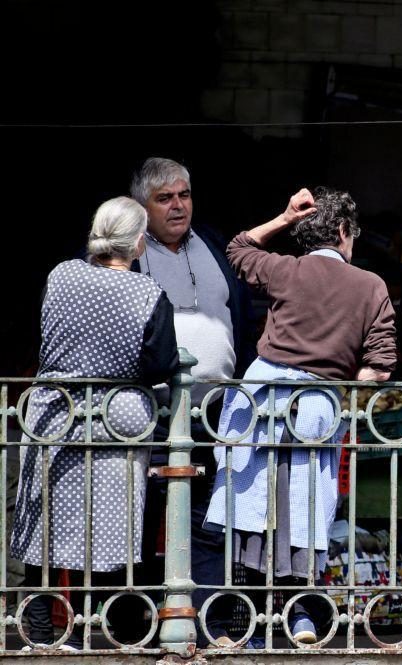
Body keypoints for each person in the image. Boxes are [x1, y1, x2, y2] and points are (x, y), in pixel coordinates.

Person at [205, 187, 396, 647]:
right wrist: (345, 399)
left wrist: (284, 218)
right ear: (345, 231)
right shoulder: (371, 286)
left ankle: (242, 624)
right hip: (315, 405)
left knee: (250, 511)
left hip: (261, 397)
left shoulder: (287, 270)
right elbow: (380, 363)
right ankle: (301, 617)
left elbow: (237, 248)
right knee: (302, 514)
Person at [12, 197, 179, 649]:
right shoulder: (148, 294)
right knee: (114, 530)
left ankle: (41, 632)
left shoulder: (61, 275)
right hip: (115, 420)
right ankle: (115, 632)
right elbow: (161, 364)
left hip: (54, 411)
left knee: (46, 523)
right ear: (140, 243)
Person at [128, 157, 255, 647]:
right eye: (165, 198)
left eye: (183, 194)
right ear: (143, 207)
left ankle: (211, 622)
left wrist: (239, 380)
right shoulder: (130, 252)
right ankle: (133, 624)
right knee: (139, 518)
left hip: (216, 409)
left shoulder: (213, 244)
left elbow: (239, 316)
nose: (178, 206)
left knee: (208, 520)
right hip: (150, 411)